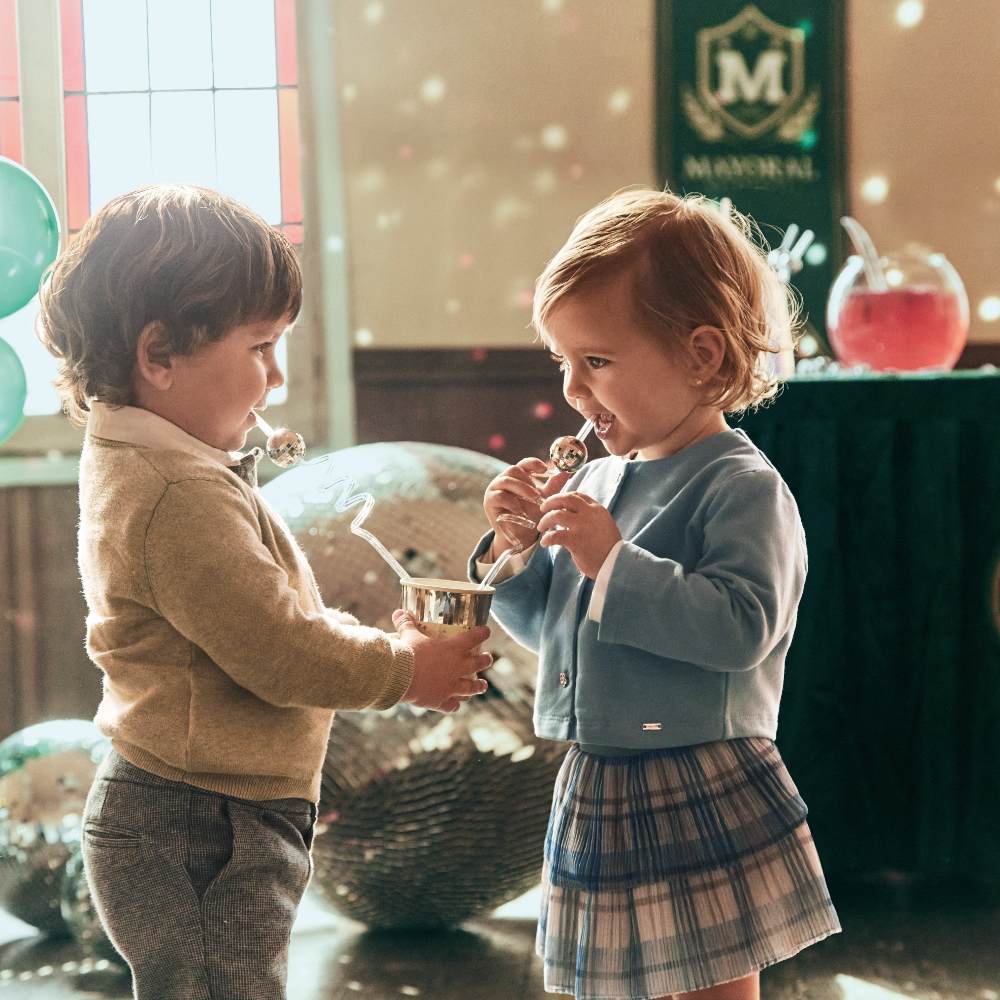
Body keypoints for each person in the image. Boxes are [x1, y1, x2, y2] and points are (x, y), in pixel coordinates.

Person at [37, 183, 492, 1000]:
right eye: (260, 349)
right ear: (159, 355)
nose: (276, 379)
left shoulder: (161, 465)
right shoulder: (176, 491)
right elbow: (278, 649)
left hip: (199, 813)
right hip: (200, 826)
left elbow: (254, 616)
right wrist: (402, 668)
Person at [471, 189, 840, 1000]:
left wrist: (614, 561)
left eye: (596, 361)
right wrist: (516, 550)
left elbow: (742, 628)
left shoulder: (742, 486)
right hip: (598, 775)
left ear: (702, 357)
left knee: (710, 987)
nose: (572, 388)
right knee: (605, 984)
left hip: (697, 776)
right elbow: (558, 630)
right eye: (562, 362)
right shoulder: (597, 476)